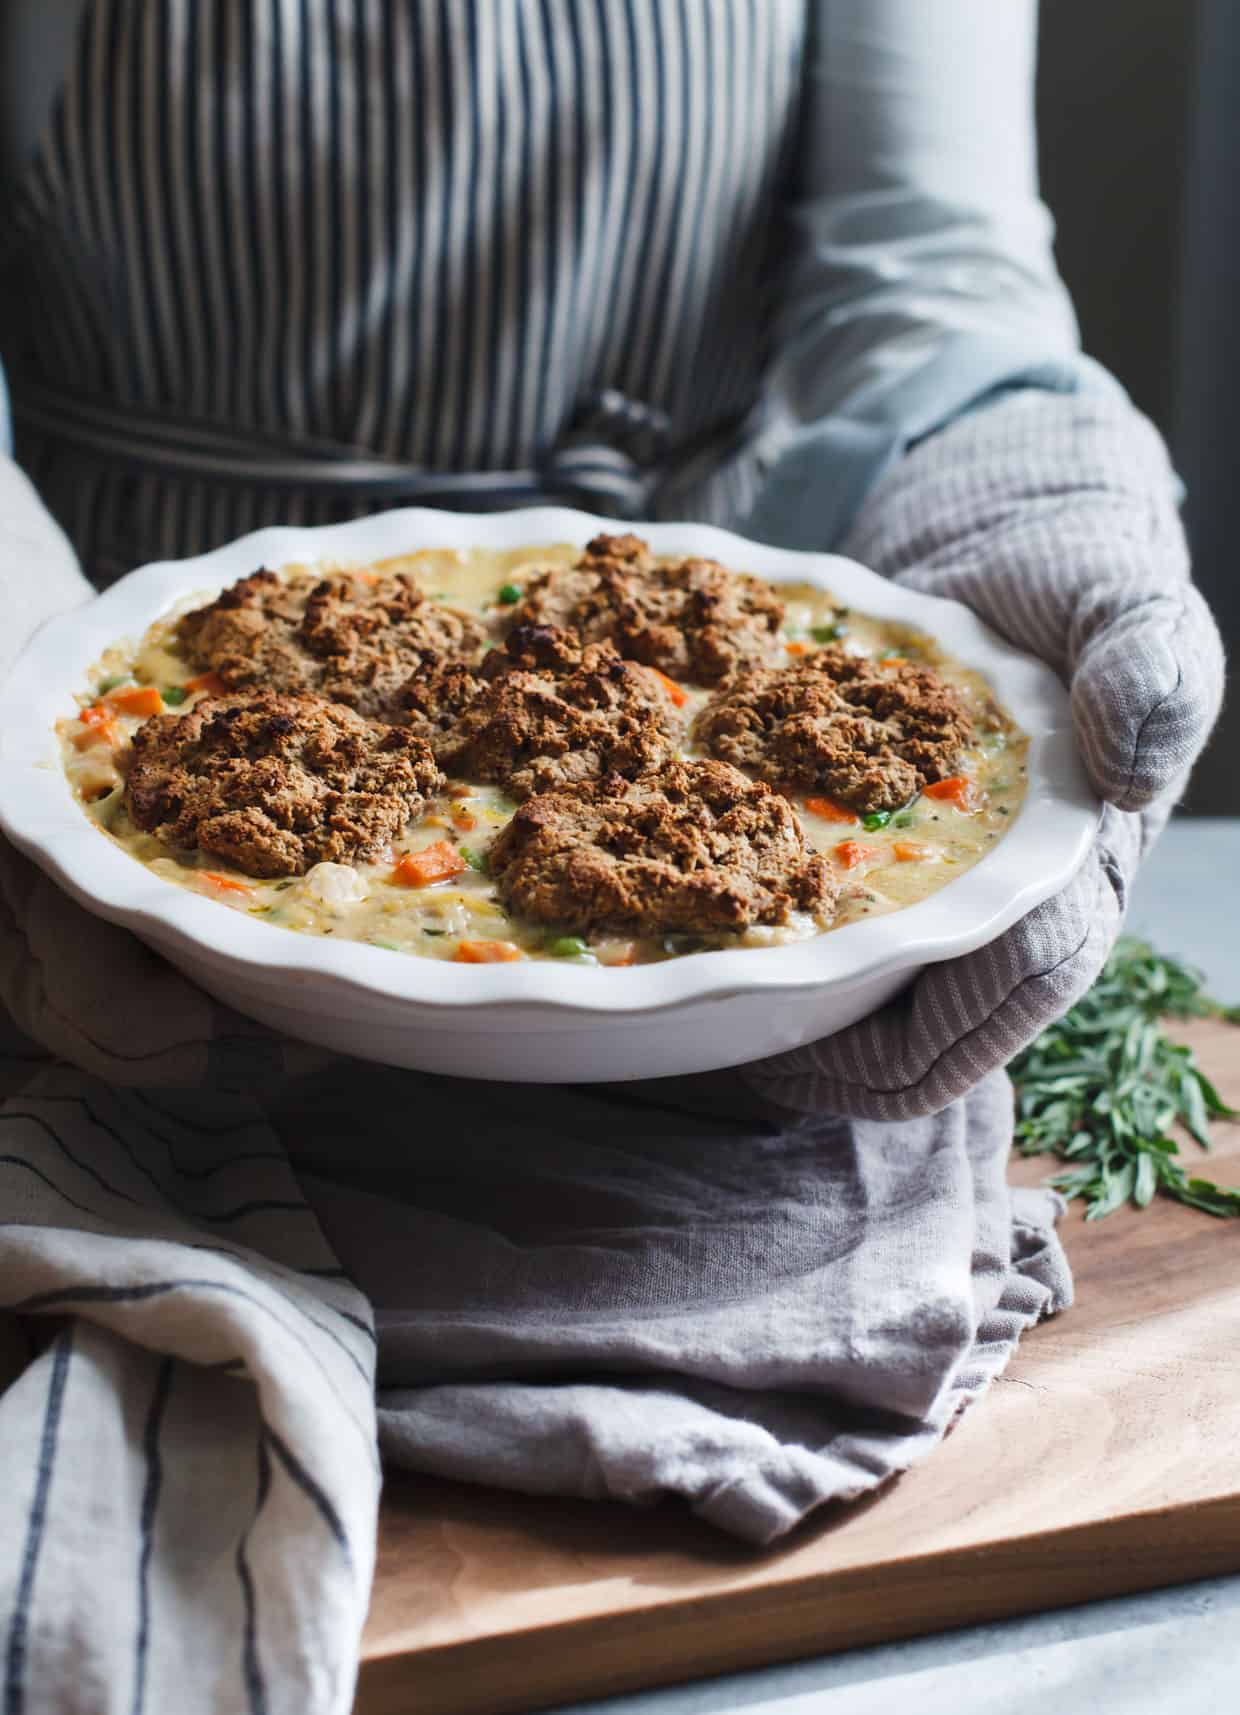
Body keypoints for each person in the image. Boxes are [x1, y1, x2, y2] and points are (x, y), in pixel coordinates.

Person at [0, 5, 1223, 1714]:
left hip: (724, 638)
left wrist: (1015, 496)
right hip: (135, 641)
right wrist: (16, 661)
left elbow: (931, 271)